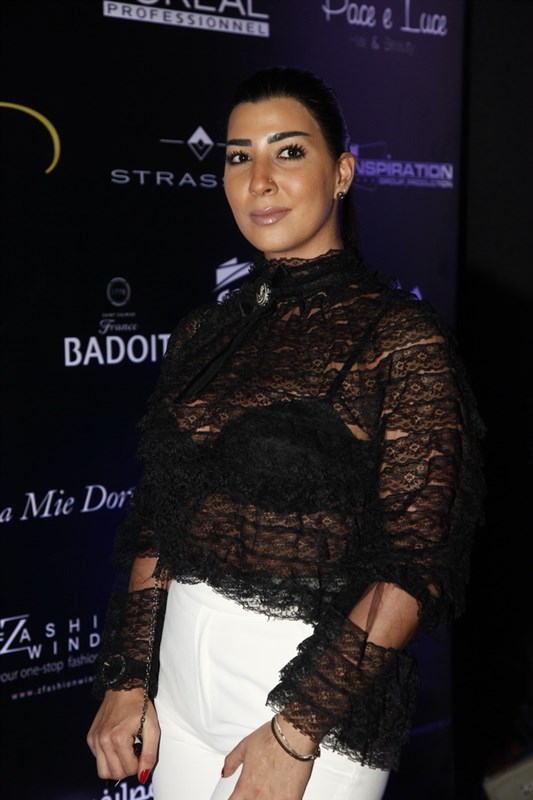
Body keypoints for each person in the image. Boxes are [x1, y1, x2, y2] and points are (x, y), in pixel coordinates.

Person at [87, 66, 485, 800]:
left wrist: (297, 732)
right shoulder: (205, 333)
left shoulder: (398, 339)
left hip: (309, 708)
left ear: (342, 174)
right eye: (239, 156)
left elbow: (415, 566)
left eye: (289, 152)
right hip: (176, 691)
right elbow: (158, 522)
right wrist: (127, 678)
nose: (259, 180)